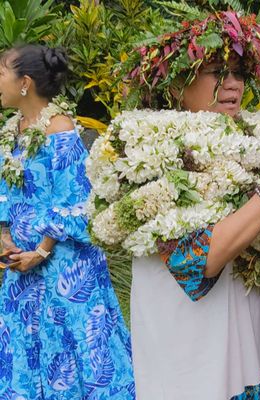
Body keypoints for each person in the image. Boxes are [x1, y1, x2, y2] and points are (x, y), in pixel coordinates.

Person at [118, 12, 260, 399]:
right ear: (177, 81)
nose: (232, 84)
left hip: (248, 321)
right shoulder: (146, 147)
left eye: (239, 73)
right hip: (193, 339)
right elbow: (198, 261)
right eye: (217, 71)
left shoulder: (249, 138)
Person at [0, 45, 135, 398]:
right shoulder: (12, 129)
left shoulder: (60, 129)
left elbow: (76, 202)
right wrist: (5, 239)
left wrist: (41, 252)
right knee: (24, 349)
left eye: (1, 73)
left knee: (71, 356)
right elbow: (6, 194)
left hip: (64, 268)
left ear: (25, 82)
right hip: (20, 267)